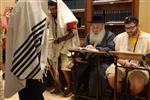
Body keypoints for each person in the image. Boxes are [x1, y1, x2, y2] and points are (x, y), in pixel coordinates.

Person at [5, 0, 49, 100]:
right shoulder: (25, 3)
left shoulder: (23, 4)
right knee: (31, 91)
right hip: (31, 56)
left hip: (28, 57)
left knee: (30, 92)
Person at [106, 16, 150, 99]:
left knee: (137, 83)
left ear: (138, 26)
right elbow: (113, 55)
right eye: (126, 28)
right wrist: (125, 63)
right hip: (121, 63)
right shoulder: (119, 37)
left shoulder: (148, 38)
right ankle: (120, 95)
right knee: (112, 77)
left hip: (140, 66)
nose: (128, 30)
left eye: (131, 27)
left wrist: (141, 62)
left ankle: (131, 96)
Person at [74, 15, 115, 99]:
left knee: (98, 72)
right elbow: (84, 46)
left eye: (97, 27)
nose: (95, 29)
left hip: (104, 61)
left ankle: (96, 96)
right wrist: (80, 55)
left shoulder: (110, 35)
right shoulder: (89, 35)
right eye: (93, 27)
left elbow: (110, 49)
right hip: (89, 60)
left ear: (103, 26)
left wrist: (96, 49)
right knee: (78, 70)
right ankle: (81, 92)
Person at [47, 0, 80, 97]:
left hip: (68, 45)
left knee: (65, 68)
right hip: (56, 44)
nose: (51, 11)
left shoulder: (68, 16)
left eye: (53, 9)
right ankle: (58, 85)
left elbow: (73, 33)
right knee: (52, 65)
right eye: (50, 9)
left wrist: (60, 39)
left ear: (58, 8)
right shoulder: (52, 17)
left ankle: (69, 88)